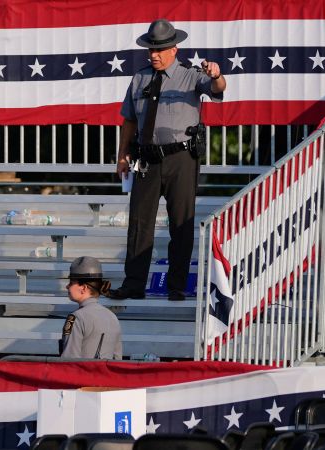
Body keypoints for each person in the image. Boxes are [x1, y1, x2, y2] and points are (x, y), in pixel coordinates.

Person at [109, 18, 226, 301]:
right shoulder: (140, 77)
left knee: (181, 224)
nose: (154, 55)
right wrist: (123, 154)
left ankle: (176, 286)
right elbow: (129, 120)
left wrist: (216, 75)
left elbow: (218, 89)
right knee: (139, 224)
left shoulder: (191, 75)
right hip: (146, 159)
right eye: (151, 49)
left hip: (181, 158)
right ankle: (134, 284)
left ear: (174, 49)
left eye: (160, 50)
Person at [60, 256, 122, 359]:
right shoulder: (112, 317)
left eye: (71, 282)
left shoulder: (76, 318)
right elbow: (117, 359)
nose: (67, 286)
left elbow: (69, 360)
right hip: (106, 375)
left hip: (83, 374)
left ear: (83, 288)